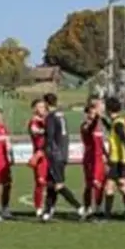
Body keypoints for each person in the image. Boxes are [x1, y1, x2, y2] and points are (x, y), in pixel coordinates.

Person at [40, 93, 81, 221]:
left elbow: (50, 136)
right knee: (51, 183)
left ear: (46, 103)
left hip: (54, 154)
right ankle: (47, 211)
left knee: (58, 184)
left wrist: (44, 150)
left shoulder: (50, 117)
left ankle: (79, 207)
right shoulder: (61, 115)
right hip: (63, 152)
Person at [79, 97, 107, 218]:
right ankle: (87, 207)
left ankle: (99, 206)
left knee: (101, 184)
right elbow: (90, 129)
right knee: (90, 184)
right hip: (90, 159)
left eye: (94, 112)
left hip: (100, 159)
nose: (93, 114)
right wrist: (97, 117)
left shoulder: (99, 126)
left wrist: (107, 155)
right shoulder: (85, 125)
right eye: (91, 112)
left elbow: (101, 143)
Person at [27, 98, 50, 217]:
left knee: (51, 182)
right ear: (35, 109)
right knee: (40, 182)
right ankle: (38, 207)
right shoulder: (33, 122)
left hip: (50, 154)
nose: (42, 109)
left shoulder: (47, 120)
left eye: (43, 106)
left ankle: (50, 206)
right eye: (39, 107)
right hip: (40, 154)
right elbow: (37, 132)